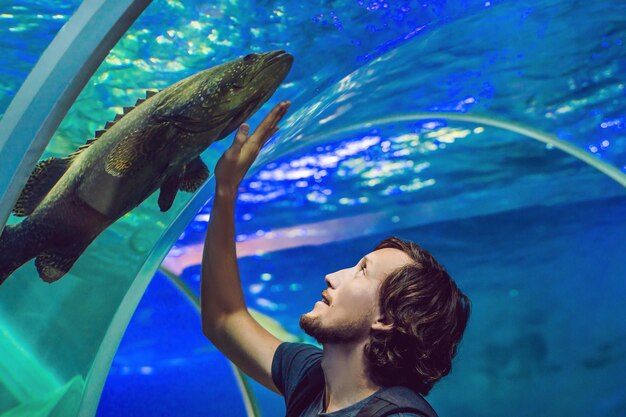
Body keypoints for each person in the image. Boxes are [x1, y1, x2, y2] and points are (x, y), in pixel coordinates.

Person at [201, 101, 471, 417]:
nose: (332, 275)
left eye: (362, 272)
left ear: (385, 320)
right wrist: (226, 189)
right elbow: (224, 318)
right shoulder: (312, 378)